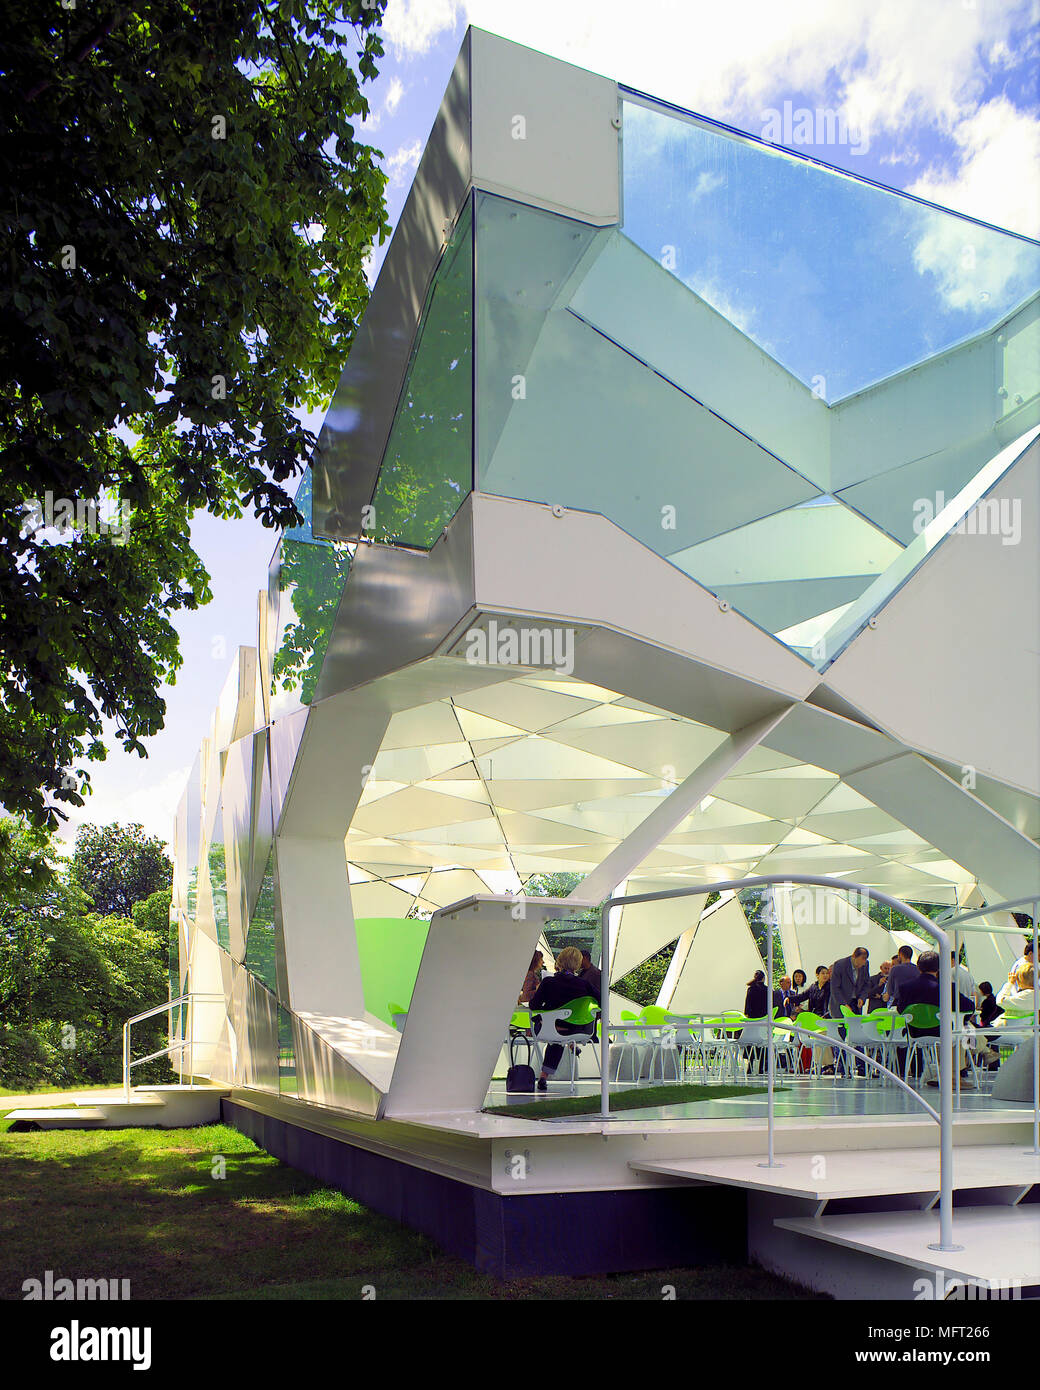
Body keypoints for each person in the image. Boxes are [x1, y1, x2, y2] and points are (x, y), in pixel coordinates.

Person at [899, 951, 976, 1087]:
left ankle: (939, 1073)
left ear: (918, 967)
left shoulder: (905, 987)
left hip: (915, 1033)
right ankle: (952, 1075)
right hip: (941, 1032)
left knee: (956, 1032)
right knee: (960, 1032)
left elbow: (901, 1009)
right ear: (939, 968)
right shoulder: (945, 987)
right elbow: (969, 1006)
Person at [529, 946, 599, 1091]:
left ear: (559, 961)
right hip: (574, 1030)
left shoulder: (548, 982)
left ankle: (543, 1077)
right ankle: (570, 1047)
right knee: (559, 1040)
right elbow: (601, 1000)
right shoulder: (584, 985)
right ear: (578, 964)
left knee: (555, 1038)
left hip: (549, 1028)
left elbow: (533, 1005)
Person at [828, 948, 870, 1018]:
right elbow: (835, 988)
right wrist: (844, 1004)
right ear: (853, 956)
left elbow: (866, 983)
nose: (861, 965)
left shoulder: (865, 964)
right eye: (858, 964)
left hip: (856, 1004)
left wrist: (862, 998)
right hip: (841, 1004)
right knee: (842, 1027)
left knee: (855, 1027)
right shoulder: (840, 965)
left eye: (863, 962)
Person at [885, 945, 918, 1010]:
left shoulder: (895, 969)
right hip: (914, 1003)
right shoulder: (918, 969)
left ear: (900, 954)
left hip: (899, 1002)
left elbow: (890, 990)